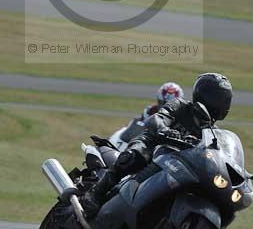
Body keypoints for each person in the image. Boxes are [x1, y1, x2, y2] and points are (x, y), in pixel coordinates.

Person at [82, 73, 233, 218]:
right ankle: (95, 194)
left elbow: (218, 157)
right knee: (134, 157)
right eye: (218, 98)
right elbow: (158, 118)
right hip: (153, 146)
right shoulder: (180, 105)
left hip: (178, 164)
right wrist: (164, 129)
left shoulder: (214, 134)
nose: (220, 103)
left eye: (224, 100)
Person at [109, 82, 185, 150]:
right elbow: (138, 125)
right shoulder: (150, 110)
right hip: (141, 142)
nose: (165, 108)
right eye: (162, 103)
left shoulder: (181, 119)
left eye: (170, 105)